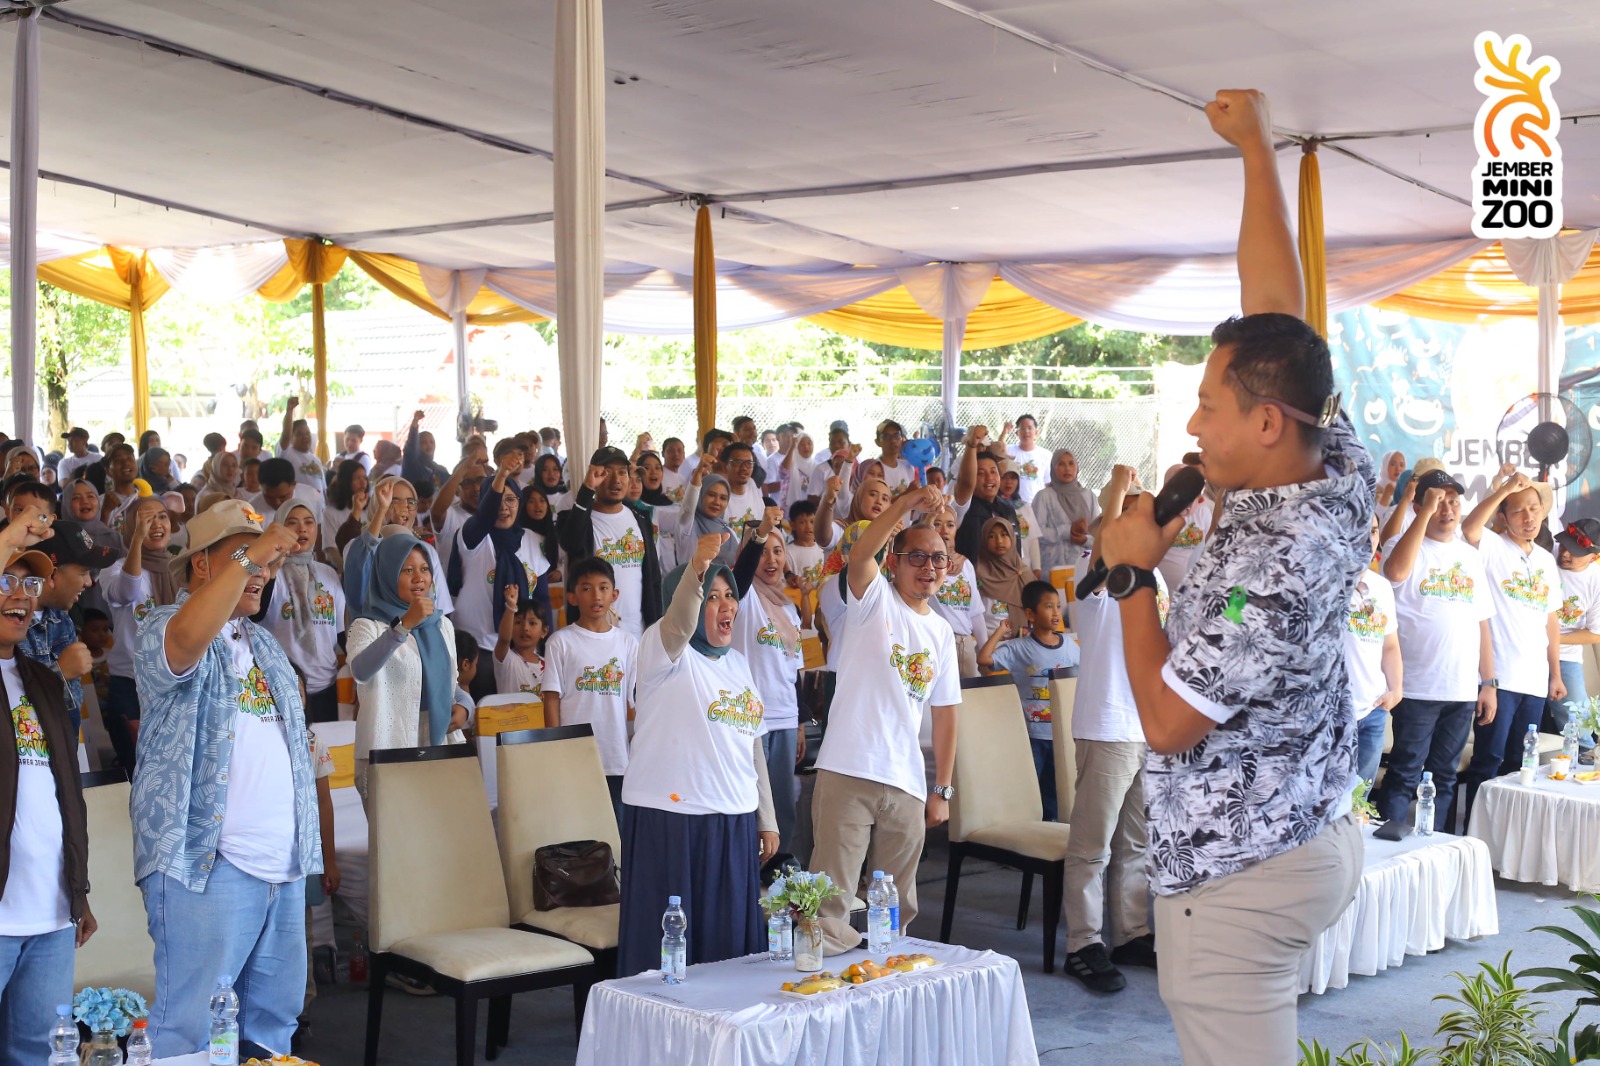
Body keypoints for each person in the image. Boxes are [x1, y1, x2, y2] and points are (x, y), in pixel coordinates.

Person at [1095, 89, 1367, 1064]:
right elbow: (1277, 323)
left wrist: (1133, 580)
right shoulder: (1330, 468)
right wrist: (1253, 150)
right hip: (1300, 832)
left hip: (1237, 874)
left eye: (1209, 404)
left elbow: (1169, 723)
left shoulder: (1269, 560)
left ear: (1264, 422)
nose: (1195, 423)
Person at [131, 501, 320, 1060]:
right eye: (243, 557)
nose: (260, 572)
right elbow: (186, 642)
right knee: (190, 1032)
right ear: (202, 566)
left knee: (271, 1029)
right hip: (205, 867)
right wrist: (253, 551)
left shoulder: (263, 646)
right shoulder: (163, 626)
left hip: (280, 869)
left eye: (264, 562)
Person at [616, 533, 778, 977]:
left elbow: (753, 743)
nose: (726, 605)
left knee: (728, 952)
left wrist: (767, 818)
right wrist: (696, 568)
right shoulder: (662, 650)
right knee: (670, 959)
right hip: (673, 821)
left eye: (730, 595)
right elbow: (680, 624)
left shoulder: (738, 663)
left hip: (733, 819)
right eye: (712, 596)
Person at [812, 484, 959, 947]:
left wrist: (942, 789)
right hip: (849, 768)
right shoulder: (872, 600)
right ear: (893, 562)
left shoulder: (941, 632)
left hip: (907, 781)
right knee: (829, 897)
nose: (928, 567)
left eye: (938, 559)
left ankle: (884, 983)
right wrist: (905, 506)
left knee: (895, 906)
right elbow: (860, 554)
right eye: (916, 557)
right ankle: (821, 994)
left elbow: (947, 713)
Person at [1066, 472, 1164, 995]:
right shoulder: (1096, 574)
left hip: (1146, 726)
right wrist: (1117, 491)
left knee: (1136, 840)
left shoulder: (1156, 580)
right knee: (1092, 845)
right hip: (1106, 725)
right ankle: (1083, 943)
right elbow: (1105, 547)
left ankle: (1130, 932)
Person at [0, 545, 98, 1065]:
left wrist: (76, 894)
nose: (21, 596)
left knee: (38, 1056)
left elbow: (66, 796)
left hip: (51, 917)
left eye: (31, 585)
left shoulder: (41, 679)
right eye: (6, 582)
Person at [1376, 469, 1495, 829]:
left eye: (1453, 501)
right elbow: (1395, 574)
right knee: (1404, 774)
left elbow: (1482, 622)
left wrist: (1488, 682)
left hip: (1460, 689)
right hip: (1416, 688)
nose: (1448, 508)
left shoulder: (1469, 556)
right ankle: (1390, 855)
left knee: (1443, 778)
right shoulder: (1403, 544)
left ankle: (1437, 850)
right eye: (1438, 501)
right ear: (1418, 505)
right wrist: (1423, 514)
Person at [1458, 473, 1563, 801]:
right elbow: (1470, 528)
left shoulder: (1546, 560)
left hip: (1534, 681)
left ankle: (1507, 837)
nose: (1528, 517)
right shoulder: (1492, 546)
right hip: (1498, 678)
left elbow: (1551, 621)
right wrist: (1504, 488)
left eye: (1534, 508)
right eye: (1518, 510)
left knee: (1521, 766)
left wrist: (1555, 674)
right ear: (1502, 518)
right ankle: (1476, 833)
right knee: (1488, 760)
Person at [346, 532, 463, 801]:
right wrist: (403, 626)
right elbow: (361, 671)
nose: (418, 577)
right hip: (389, 745)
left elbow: (450, 680)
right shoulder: (366, 626)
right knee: (396, 839)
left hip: (437, 740)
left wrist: (465, 705)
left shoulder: (442, 624)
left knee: (440, 836)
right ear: (386, 575)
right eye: (407, 570)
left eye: (424, 569)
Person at [731, 506, 806, 852]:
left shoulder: (790, 609)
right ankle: (749, 867)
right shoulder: (742, 599)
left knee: (783, 804)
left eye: (778, 551)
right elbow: (741, 573)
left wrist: (801, 723)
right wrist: (760, 531)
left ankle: (779, 874)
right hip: (751, 720)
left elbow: (796, 671)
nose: (771, 559)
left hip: (786, 717)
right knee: (755, 806)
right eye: (762, 552)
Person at [542, 557, 638, 817]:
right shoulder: (560, 642)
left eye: (603, 587)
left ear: (614, 594)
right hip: (574, 754)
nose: (596, 595)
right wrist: (555, 747)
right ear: (572, 597)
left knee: (618, 833)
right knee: (580, 831)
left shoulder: (628, 643)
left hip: (616, 755)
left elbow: (634, 703)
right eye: (586, 588)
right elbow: (551, 698)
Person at [450, 456, 551, 701]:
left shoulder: (533, 540)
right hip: (479, 648)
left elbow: (542, 600)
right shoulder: (472, 536)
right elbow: (484, 518)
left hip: (521, 651)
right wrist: (502, 475)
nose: (504, 508)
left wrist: (545, 646)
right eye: (496, 501)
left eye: (511, 500)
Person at [977, 579, 1078, 823]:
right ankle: (1027, 833)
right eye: (1048, 607)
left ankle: (1052, 832)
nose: (1055, 612)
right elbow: (984, 659)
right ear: (1030, 614)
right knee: (1030, 787)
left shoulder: (1071, 648)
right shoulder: (1020, 648)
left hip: (1062, 734)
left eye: (1057, 606)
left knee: (1058, 789)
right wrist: (1001, 631)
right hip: (1032, 734)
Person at [100, 494, 180, 769]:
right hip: (131, 685)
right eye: (144, 519)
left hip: (176, 682)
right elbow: (127, 591)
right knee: (138, 768)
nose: (155, 524)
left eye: (162, 516)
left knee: (172, 767)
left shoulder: (180, 567)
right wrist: (136, 540)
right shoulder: (115, 569)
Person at [22, 520, 118, 738]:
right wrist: (59, 674)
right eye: (84, 572)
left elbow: (71, 708)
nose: (89, 583)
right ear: (53, 574)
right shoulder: (10, 625)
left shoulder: (63, 622)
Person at [557, 447, 661, 638]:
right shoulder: (578, 519)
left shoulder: (640, 518)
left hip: (639, 634)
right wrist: (586, 489)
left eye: (622, 472)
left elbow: (653, 577)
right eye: (606, 473)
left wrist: (656, 628)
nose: (616, 480)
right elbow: (570, 543)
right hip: (594, 635)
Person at [257, 499, 346, 724]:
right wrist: (273, 568)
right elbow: (255, 615)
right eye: (292, 523)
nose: (302, 529)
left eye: (309, 522)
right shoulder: (268, 574)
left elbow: (341, 633)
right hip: (284, 685)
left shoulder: (329, 574)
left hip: (326, 684)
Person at [1346, 516, 1403, 784]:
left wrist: (1396, 690)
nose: (1368, 539)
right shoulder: (1324, 581)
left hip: (1373, 710)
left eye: (1373, 531)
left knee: (1361, 803)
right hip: (1333, 713)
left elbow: (1390, 645)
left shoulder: (1381, 586)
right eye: (1360, 530)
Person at [1553, 518, 1600, 760]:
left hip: (1565, 657)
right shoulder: (1545, 557)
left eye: (1575, 551)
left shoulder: (1596, 580)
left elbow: (1595, 633)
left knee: (1579, 727)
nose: (1565, 553)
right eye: (1563, 545)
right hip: (1522, 651)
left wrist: (1552, 639)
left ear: (1593, 556)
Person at [925, 504, 986, 678]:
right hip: (937, 642)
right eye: (937, 523)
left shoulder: (965, 565)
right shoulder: (924, 563)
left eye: (950, 525)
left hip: (965, 644)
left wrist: (985, 649)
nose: (944, 530)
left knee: (971, 700)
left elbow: (975, 612)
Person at [1032, 449, 1098, 576]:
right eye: (1061, 464)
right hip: (1053, 570)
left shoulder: (1089, 496)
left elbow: (1098, 534)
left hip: (1084, 569)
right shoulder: (1044, 496)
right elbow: (1036, 533)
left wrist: (1084, 540)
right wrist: (1068, 531)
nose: (1067, 468)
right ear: (1053, 468)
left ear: (1077, 467)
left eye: (1071, 463)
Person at [974, 516, 1031, 637]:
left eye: (1004, 535)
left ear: (1012, 537)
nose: (999, 541)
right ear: (984, 540)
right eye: (992, 536)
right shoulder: (976, 575)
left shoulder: (1024, 574)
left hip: (1023, 642)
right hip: (988, 641)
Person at [492, 584, 547, 697]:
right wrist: (511, 606)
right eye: (518, 622)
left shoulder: (549, 664)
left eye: (532, 623)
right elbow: (503, 639)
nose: (525, 628)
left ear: (544, 631)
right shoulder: (506, 659)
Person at [277, 398, 327, 500]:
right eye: (299, 434)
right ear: (292, 438)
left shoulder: (316, 459)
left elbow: (323, 488)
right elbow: (286, 435)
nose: (305, 437)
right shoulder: (288, 453)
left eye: (307, 433)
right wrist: (289, 410)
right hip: (299, 508)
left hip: (319, 509)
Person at [1004, 414, 1050, 505]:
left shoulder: (1046, 455)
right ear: (1017, 433)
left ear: (1036, 432)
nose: (1026, 431)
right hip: (1013, 505)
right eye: (1022, 428)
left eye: (1029, 428)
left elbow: (1048, 484)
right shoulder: (1009, 450)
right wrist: (1004, 432)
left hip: (1038, 505)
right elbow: (997, 451)